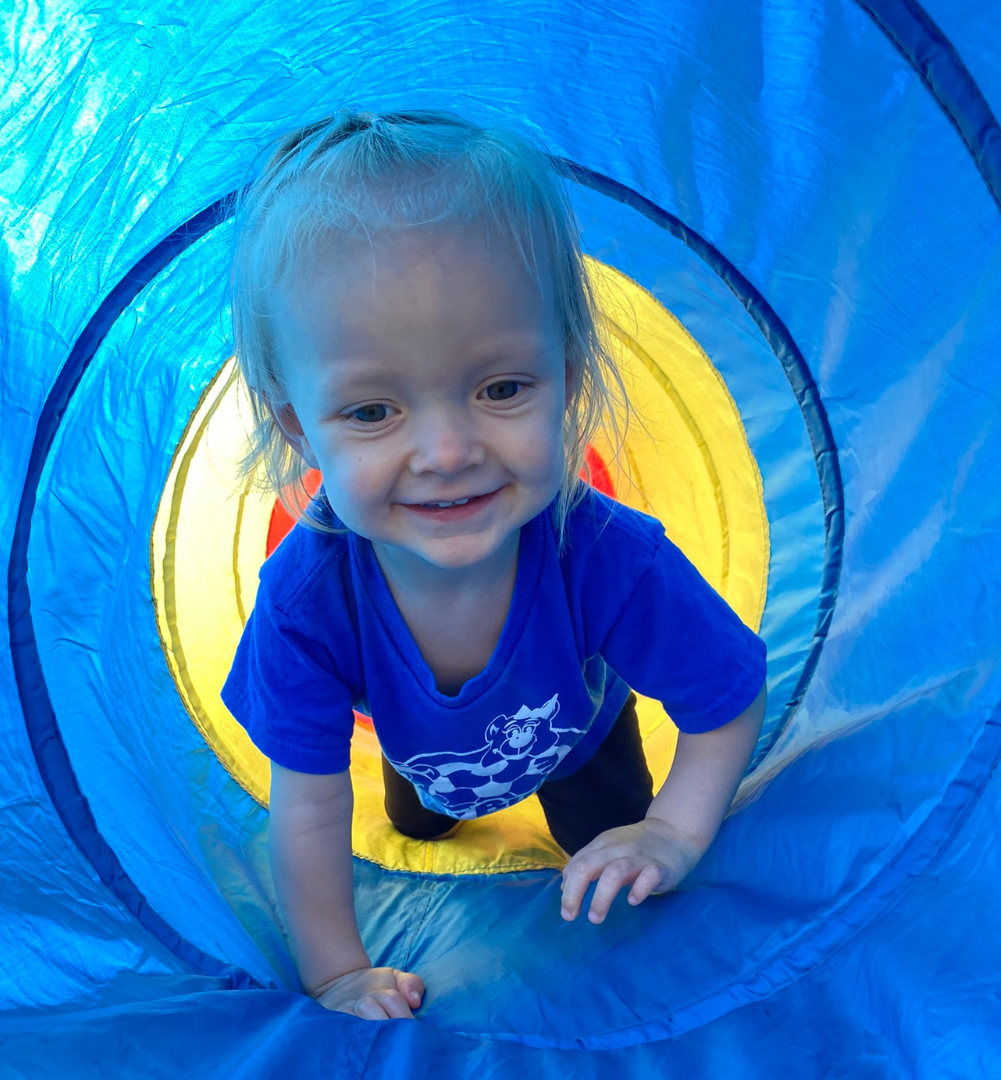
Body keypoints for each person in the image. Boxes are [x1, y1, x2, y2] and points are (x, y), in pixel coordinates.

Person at [221, 109, 767, 1022]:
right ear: (295, 426)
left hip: (579, 740)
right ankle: (428, 805)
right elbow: (310, 811)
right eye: (371, 412)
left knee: (619, 880)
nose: (446, 450)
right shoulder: (304, 602)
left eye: (502, 387)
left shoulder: (606, 557)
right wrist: (338, 975)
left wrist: (672, 831)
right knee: (418, 819)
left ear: (568, 370)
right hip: (412, 745)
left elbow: (727, 693)